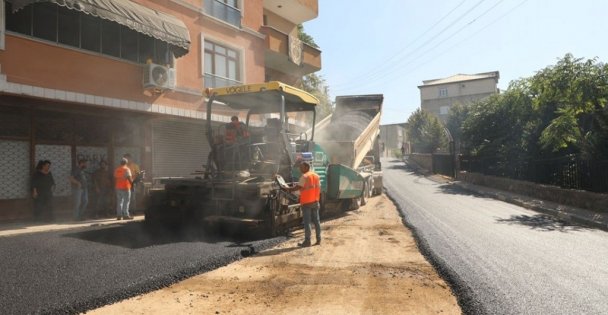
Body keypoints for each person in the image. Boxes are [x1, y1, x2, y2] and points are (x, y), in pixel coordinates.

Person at [284, 161, 322, 247]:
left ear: (306, 167)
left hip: (307, 202)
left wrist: (287, 189)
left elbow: (298, 187)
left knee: (307, 222)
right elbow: (318, 187)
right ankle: (319, 239)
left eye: (301, 167)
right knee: (317, 221)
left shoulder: (304, 176)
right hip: (315, 201)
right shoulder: (316, 176)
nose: (300, 169)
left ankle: (307, 241)